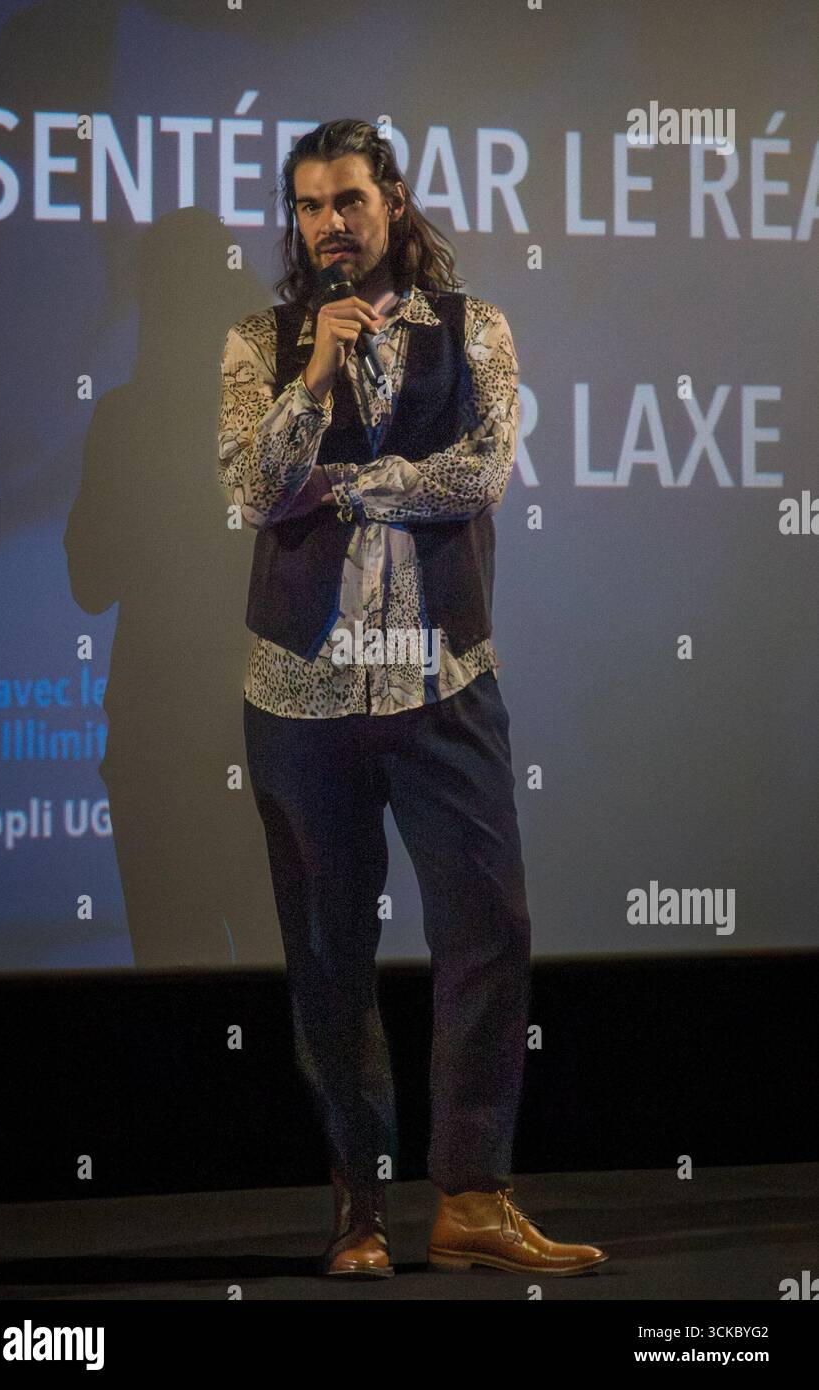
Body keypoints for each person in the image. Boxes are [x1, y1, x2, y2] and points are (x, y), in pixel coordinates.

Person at [218, 118, 607, 1279]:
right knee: (329, 954)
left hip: (444, 681)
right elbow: (249, 486)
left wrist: (349, 483)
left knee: (489, 924)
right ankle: (356, 1211)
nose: (326, 224)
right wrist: (317, 379)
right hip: (300, 695)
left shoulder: (473, 325)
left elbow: (480, 470)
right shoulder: (261, 341)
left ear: (390, 200)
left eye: (346, 199)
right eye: (305, 205)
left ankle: (473, 1197)